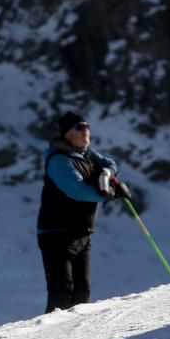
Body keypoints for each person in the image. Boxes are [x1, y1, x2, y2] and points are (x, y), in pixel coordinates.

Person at [37, 111, 130, 313]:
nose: (86, 131)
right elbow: (76, 191)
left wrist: (107, 175)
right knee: (61, 292)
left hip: (81, 233)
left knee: (81, 292)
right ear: (67, 133)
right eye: (80, 127)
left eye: (87, 126)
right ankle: (48, 338)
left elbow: (110, 163)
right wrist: (109, 194)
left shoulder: (86, 154)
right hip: (57, 235)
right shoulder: (59, 161)